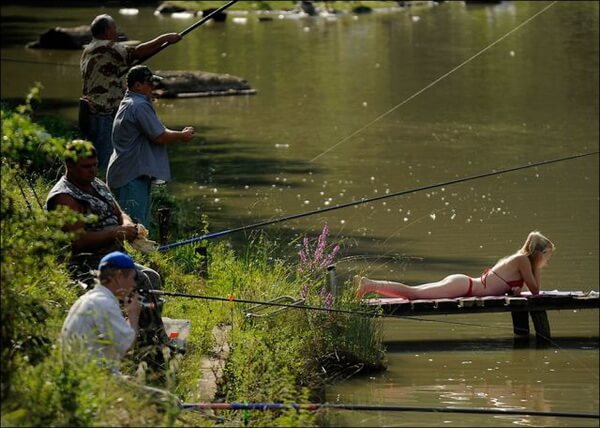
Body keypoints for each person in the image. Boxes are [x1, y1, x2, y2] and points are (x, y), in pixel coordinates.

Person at [46, 140, 168, 349]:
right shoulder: (64, 197)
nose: (92, 170)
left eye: (95, 165)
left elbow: (119, 212)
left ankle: (146, 337)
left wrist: (129, 225)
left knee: (153, 277)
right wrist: (115, 232)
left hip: (114, 257)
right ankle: (150, 346)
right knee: (140, 281)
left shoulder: (96, 184)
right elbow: (78, 241)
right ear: (70, 165)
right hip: (86, 265)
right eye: (86, 166)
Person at [80, 14, 182, 170]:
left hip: (90, 111)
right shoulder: (107, 47)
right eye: (114, 28)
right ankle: (103, 190)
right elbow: (137, 53)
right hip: (102, 114)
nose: (116, 32)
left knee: (95, 157)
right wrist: (166, 38)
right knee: (103, 161)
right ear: (107, 31)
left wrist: (141, 93)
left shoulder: (89, 50)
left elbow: (112, 78)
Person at [106, 64, 194, 226]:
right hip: (131, 176)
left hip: (126, 173)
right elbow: (159, 136)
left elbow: (159, 130)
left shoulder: (130, 102)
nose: (153, 87)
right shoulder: (139, 105)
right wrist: (182, 135)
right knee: (135, 230)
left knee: (129, 227)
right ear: (137, 85)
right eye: (149, 83)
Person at [355, 231, 555, 299]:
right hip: (464, 285)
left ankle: (370, 284)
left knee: (413, 292)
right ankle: (369, 284)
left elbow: (512, 288)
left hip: (464, 284)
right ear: (538, 253)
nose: (547, 261)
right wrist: (537, 266)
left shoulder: (520, 261)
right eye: (546, 256)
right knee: (413, 294)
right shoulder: (523, 260)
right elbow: (536, 291)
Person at [60, 251, 141, 371]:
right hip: (89, 379)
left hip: (76, 373)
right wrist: (133, 314)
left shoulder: (88, 298)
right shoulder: (105, 303)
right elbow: (127, 350)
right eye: (132, 278)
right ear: (118, 277)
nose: (134, 284)